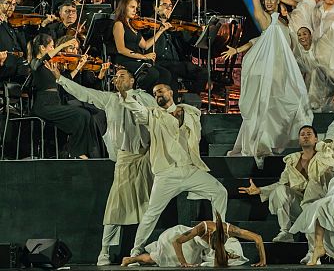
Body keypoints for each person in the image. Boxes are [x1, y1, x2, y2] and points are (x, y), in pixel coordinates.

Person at [52, 65, 156, 265]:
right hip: (125, 159)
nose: (117, 78)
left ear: (132, 80)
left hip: (146, 158)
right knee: (116, 207)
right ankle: (104, 251)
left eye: (122, 75)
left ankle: (136, 252)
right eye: (116, 76)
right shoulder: (110, 99)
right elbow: (85, 93)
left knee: (146, 208)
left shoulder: (145, 98)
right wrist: (60, 79)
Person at [224, 0, 312, 163]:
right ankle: (260, 146)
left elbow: (264, 40)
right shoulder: (264, 18)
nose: (269, 2)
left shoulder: (284, 22)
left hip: (282, 70)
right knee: (263, 107)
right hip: (265, 69)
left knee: (285, 104)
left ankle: (275, 142)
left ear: (278, 0)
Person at [123, 83, 229, 258]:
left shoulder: (188, 112)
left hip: (189, 169)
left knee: (220, 192)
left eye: (160, 91)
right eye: (154, 93)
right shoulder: (153, 115)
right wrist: (124, 94)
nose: (157, 95)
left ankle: (218, 238)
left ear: (171, 92)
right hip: (167, 173)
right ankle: (136, 250)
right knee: (152, 213)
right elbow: (138, 110)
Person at [239, 104, 334, 244]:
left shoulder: (326, 155)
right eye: (302, 135)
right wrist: (260, 190)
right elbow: (282, 184)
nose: (305, 137)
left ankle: (315, 241)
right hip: (299, 206)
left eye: (309, 134)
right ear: (299, 140)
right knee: (281, 189)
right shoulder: (292, 161)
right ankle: (285, 232)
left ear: (316, 139)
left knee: (312, 185)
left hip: (319, 207)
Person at [28, 34, 96, 159]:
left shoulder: (50, 65)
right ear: (42, 48)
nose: (54, 49)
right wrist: (64, 45)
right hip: (44, 105)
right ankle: (76, 151)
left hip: (55, 103)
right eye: (51, 46)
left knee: (85, 115)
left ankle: (73, 150)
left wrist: (78, 67)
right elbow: (38, 63)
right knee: (82, 114)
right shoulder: (35, 63)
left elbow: (65, 81)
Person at [122, 213, 265, 268]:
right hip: (179, 239)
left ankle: (132, 259)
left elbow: (257, 238)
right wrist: (183, 262)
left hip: (196, 248)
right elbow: (177, 242)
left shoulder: (231, 230)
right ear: (210, 236)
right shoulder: (203, 227)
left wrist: (263, 260)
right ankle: (130, 259)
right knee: (160, 259)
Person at [111, 0, 172, 91]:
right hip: (125, 60)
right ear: (124, 7)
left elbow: (145, 45)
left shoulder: (133, 25)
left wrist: (160, 31)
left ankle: (154, 96)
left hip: (137, 59)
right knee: (152, 73)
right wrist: (143, 57)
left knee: (165, 74)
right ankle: (139, 93)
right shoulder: (119, 24)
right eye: (132, 7)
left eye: (136, 8)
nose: (135, 10)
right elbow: (121, 49)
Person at [152, 0, 208, 94]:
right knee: (171, 75)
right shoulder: (150, 25)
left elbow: (190, 41)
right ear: (156, 8)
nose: (169, 8)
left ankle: (191, 97)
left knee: (203, 72)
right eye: (165, 5)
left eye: (170, 6)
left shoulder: (175, 26)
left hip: (176, 62)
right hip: (160, 62)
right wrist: (160, 29)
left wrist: (199, 32)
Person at [0, 0, 29, 82]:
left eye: (13, 4)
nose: (11, 7)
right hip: (4, 66)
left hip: (17, 64)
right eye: (8, 3)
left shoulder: (14, 24)